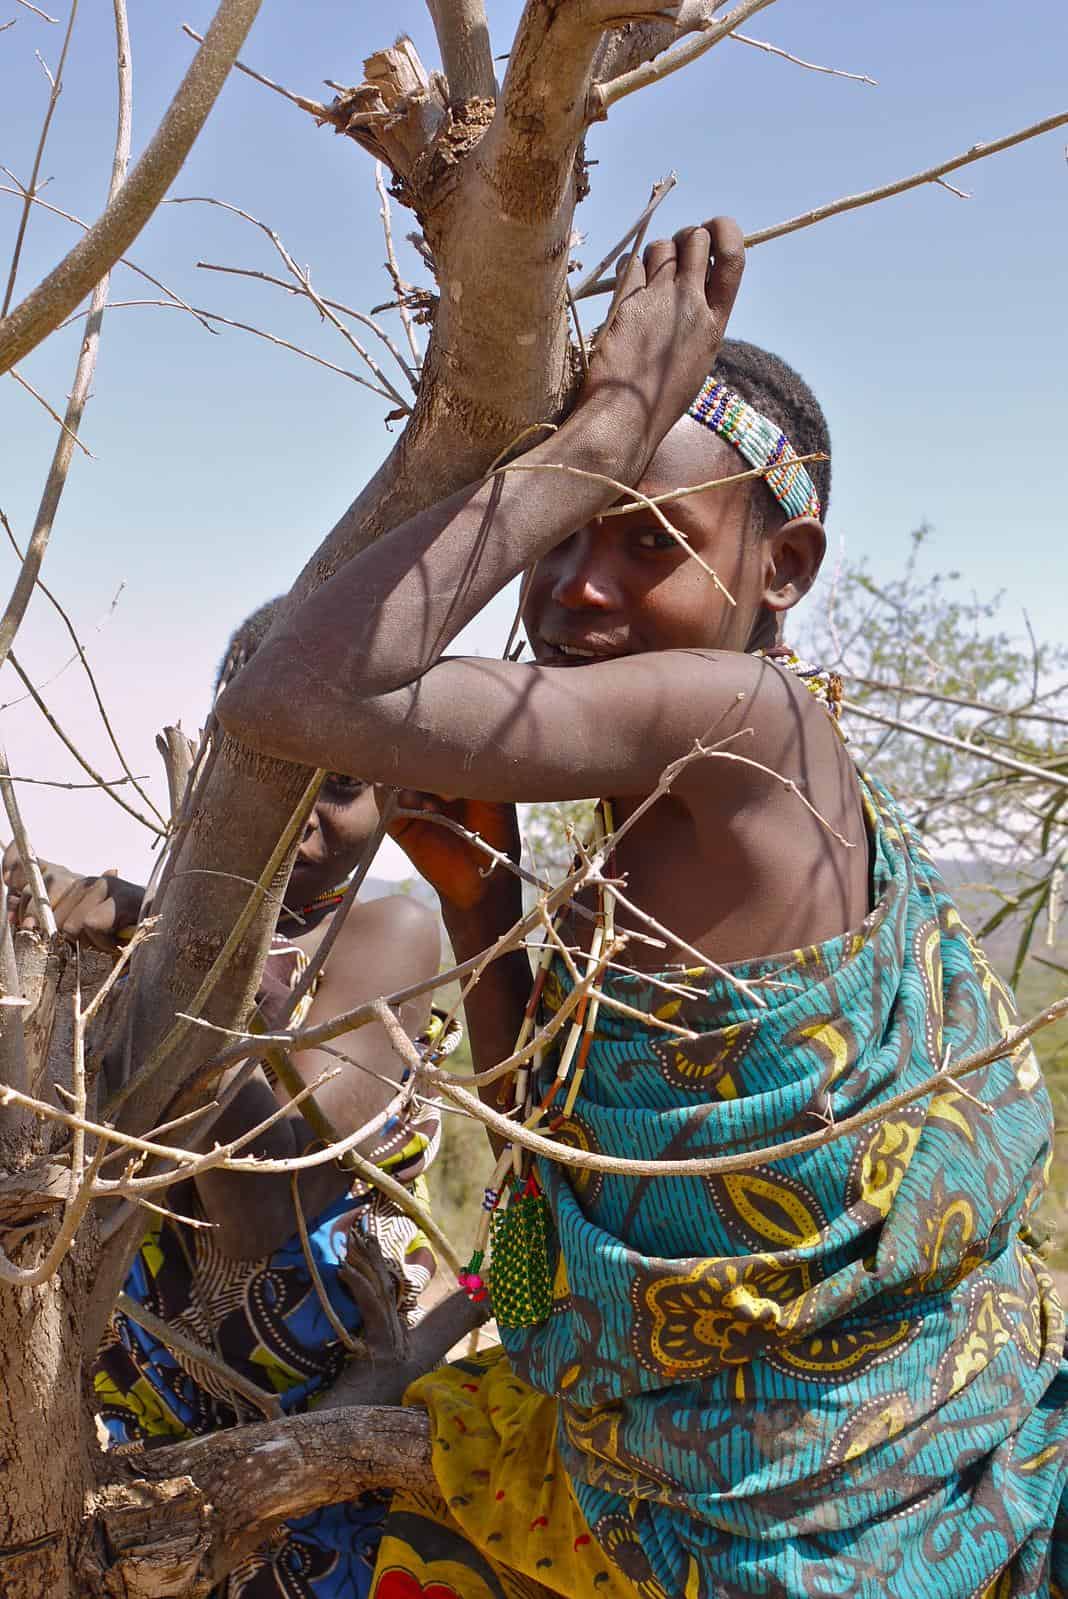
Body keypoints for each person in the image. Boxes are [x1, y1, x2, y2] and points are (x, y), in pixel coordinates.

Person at [215, 221, 1067, 1598]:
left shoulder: (747, 722)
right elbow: (544, 1227)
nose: (576, 587)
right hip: (740, 1477)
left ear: (782, 568)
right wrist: (485, 899)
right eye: (561, 534)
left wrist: (602, 428)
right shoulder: (665, 833)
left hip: (789, 1532)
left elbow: (277, 688)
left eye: (645, 533)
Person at [4, 599, 450, 1599]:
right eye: (264, 771)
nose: (298, 815)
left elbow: (268, 1197)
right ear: (209, 766)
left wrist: (168, 950)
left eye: (340, 786)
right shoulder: (136, 937)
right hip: (116, 1417)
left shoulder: (384, 937)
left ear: (400, 801)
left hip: (299, 1434)